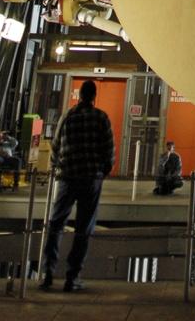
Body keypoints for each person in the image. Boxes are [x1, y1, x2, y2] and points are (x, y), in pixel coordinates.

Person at [41, 80, 115, 292]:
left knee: (56, 224)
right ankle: (72, 277)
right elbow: (109, 150)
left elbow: (55, 146)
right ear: (94, 97)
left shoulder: (67, 116)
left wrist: (58, 166)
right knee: (83, 229)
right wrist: (103, 171)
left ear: (79, 95)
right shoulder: (101, 118)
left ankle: (47, 273)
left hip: (67, 177)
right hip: (91, 178)